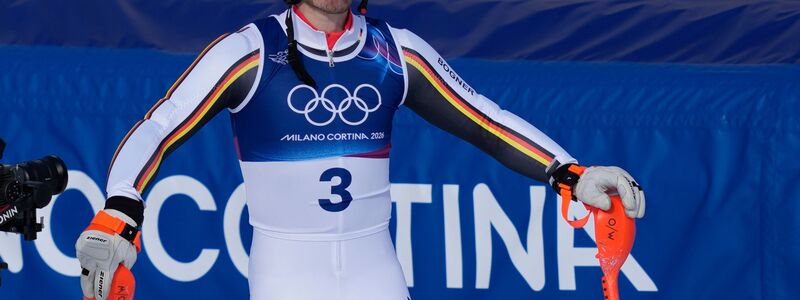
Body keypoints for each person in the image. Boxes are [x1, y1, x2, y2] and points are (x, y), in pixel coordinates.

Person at [75, 0, 646, 299]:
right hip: (286, 274)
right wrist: (120, 210)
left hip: (377, 270)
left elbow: (486, 120)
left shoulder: (395, 51)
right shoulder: (248, 50)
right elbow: (159, 125)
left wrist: (571, 173)